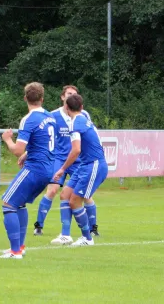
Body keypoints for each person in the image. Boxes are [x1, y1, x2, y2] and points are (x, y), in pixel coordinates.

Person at [29, 85, 100, 238]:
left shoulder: (83, 116)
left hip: (78, 160)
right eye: (69, 94)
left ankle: (93, 228)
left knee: (85, 195)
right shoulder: (53, 115)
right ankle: (39, 225)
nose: (71, 96)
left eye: (74, 94)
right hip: (60, 159)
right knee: (53, 190)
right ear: (62, 97)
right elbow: (44, 136)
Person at [0, 82, 57, 259]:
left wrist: (7, 139)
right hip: (48, 169)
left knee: (8, 203)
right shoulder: (50, 117)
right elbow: (44, 142)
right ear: (42, 98)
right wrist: (28, 153)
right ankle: (20, 247)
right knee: (19, 204)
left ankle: (15, 251)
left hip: (35, 168)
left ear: (25, 98)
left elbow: (16, 149)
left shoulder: (29, 119)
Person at [52, 94, 107, 246]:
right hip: (85, 165)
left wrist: (62, 169)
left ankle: (87, 238)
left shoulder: (75, 124)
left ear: (67, 108)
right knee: (65, 195)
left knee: (75, 201)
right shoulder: (84, 119)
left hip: (93, 165)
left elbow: (76, 150)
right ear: (82, 107)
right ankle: (65, 235)